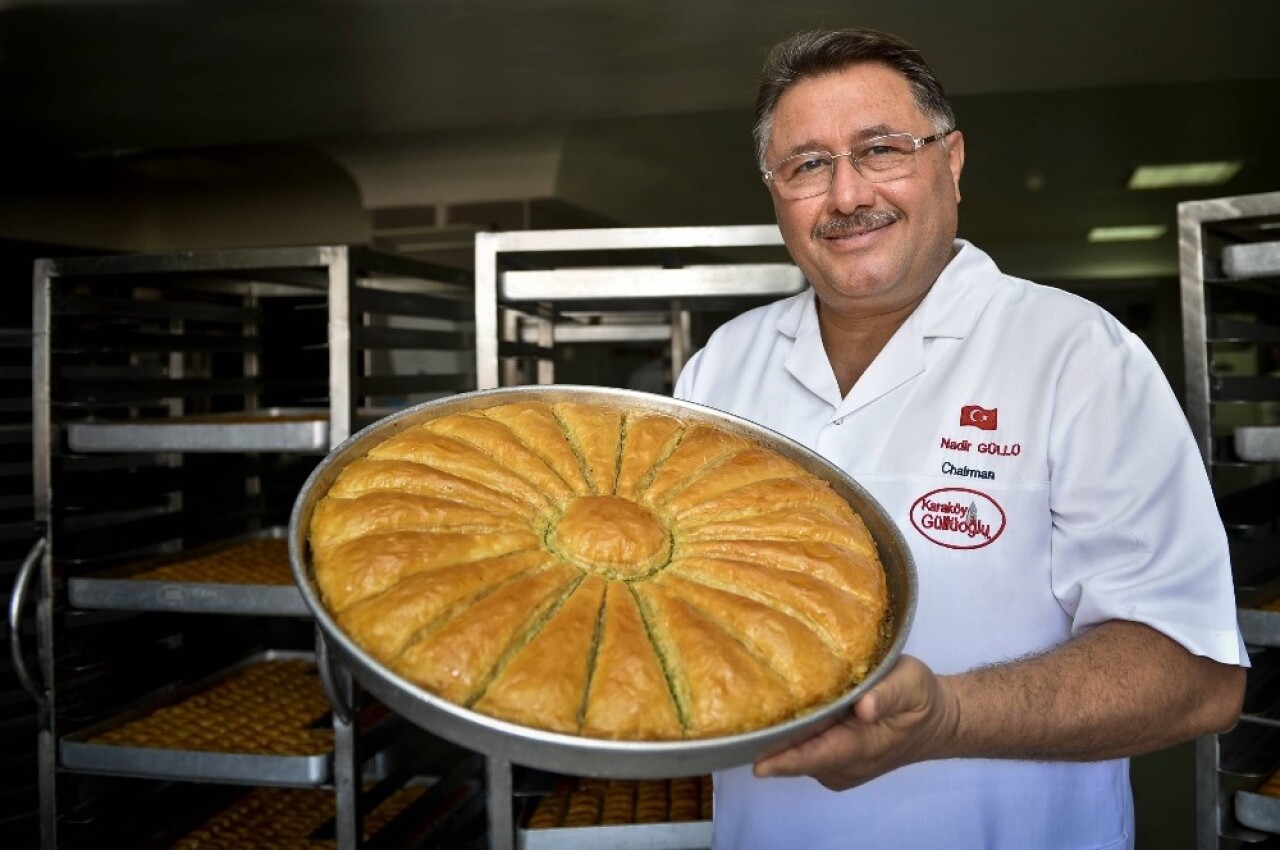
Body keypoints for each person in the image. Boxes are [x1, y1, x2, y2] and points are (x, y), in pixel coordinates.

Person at [672, 27, 1247, 850]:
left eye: (881, 149)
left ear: (952, 160)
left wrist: (945, 717)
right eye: (807, 165)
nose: (844, 196)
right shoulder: (723, 367)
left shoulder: (1078, 355)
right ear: (774, 192)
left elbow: (1196, 678)